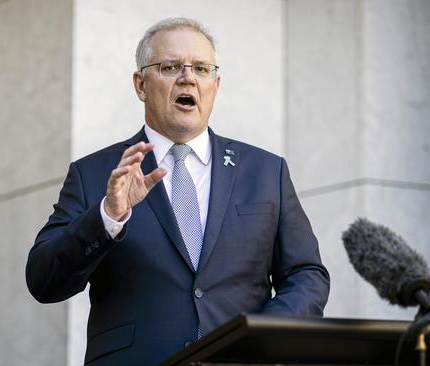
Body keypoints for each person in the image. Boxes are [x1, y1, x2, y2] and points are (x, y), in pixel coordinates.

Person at [26, 17, 330, 365]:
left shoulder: (265, 171)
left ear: (216, 84)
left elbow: (307, 275)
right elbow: (43, 281)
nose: (188, 78)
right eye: (170, 67)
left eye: (201, 68)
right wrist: (108, 216)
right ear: (141, 85)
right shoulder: (95, 174)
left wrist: (262, 336)